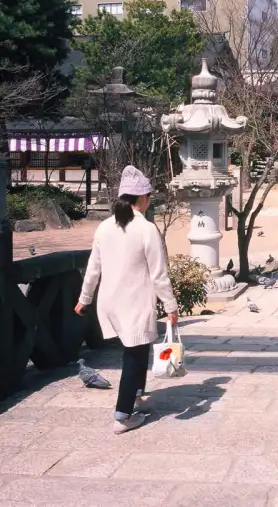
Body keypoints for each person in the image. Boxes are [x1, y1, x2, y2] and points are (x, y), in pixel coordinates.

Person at [75, 165, 178, 435]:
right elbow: (159, 274)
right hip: (134, 300)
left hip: (109, 300)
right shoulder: (146, 229)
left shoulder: (104, 227)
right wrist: (171, 306)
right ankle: (123, 415)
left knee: (139, 348)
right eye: (148, 196)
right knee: (134, 354)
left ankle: (137, 396)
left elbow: (93, 268)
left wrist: (84, 299)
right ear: (142, 198)